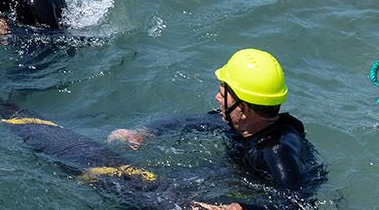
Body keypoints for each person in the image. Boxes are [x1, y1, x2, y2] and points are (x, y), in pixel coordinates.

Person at [107, 49, 325, 210]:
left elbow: (298, 203)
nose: (217, 98)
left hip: (256, 196)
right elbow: (187, 122)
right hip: (238, 177)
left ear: (244, 107)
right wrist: (144, 133)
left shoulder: (278, 149)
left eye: (223, 93)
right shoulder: (241, 123)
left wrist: (239, 209)